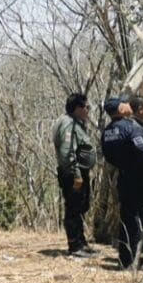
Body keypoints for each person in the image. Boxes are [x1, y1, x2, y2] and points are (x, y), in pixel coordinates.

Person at [101, 94, 143, 271]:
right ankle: (142, 257)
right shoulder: (131, 128)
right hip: (141, 180)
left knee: (127, 217)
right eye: (125, 104)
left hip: (124, 178)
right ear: (121, 109)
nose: (129, 105)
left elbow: (108, 157)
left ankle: (126, 257)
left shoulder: (107, 131)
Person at [52, 93, 97, 257]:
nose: (88, 110)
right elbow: (66, 152)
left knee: (79, 207)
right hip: (72, 173)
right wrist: (76, 174)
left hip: (79, 172)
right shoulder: (67, 124)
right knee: (73, 208)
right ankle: (75, 246)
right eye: (86, 107)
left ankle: (81, 242)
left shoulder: (76, 123)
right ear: (78, 108)